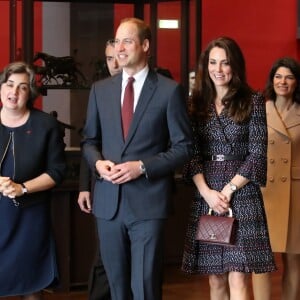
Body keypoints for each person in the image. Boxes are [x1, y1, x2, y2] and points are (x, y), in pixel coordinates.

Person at [81, 17, 192, 300]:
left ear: (145, 45)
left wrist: (142, 167)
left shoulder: (169, 90)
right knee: (117, 289)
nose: (120, 48)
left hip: (148, 204)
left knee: (144, 287)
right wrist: (97, 163)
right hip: (108, 204)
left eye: (127, 41)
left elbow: (184, 148)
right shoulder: (100, 90)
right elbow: (89, 141)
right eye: (117, 41)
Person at [181, 36, 276, 300]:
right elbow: (191, 154)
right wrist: (207, 192)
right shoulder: (195, 103)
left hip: (242, 193)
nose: (218, 69)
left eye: (225, 63)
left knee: (238, 275)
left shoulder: (253, 101)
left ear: (235, 66)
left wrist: (230, 188)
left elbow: (257, 154)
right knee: (216, 278)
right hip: (208, 195)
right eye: (213, 63)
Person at [0, 61, 66, 299]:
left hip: (31, 219)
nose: (14, 92)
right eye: (9, 85)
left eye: (22, 87)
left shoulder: (46, 125)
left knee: (32, 287)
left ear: (30, 94)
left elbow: (57, 171)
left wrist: (22, 188)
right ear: (0, 88)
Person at [252, 57, 300, 300]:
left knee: (293, 258)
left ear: (296, 82)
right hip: (264, 191)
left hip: (296, 193)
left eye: (289, 77)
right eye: (279, 76)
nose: (283, 82)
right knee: (261, 259)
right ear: (272, 79)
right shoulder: (258, 109)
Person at [77, 39, 121, 300]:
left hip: (140, 187)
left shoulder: (153, 86)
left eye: (117, 56)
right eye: (108, 58)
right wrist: (85, 185)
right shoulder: (100, 91)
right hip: (103, 186)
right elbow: (89, 140)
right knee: (104, 258)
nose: (114, 64)